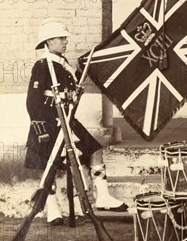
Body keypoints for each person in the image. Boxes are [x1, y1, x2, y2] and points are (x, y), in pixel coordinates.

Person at [25, 18, 128, 226]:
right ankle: (53, 208)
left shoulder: (63, 65)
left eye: (64, 38)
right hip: (48, 121)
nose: (65, 42)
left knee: (94, 150)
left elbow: (70, 90)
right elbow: (32, 101)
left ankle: (103, 196)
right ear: (48, 41)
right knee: (49, 163)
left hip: (68, 119)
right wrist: (41, 129)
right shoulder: (42, 66)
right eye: (60, 38)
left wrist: (83, 69)